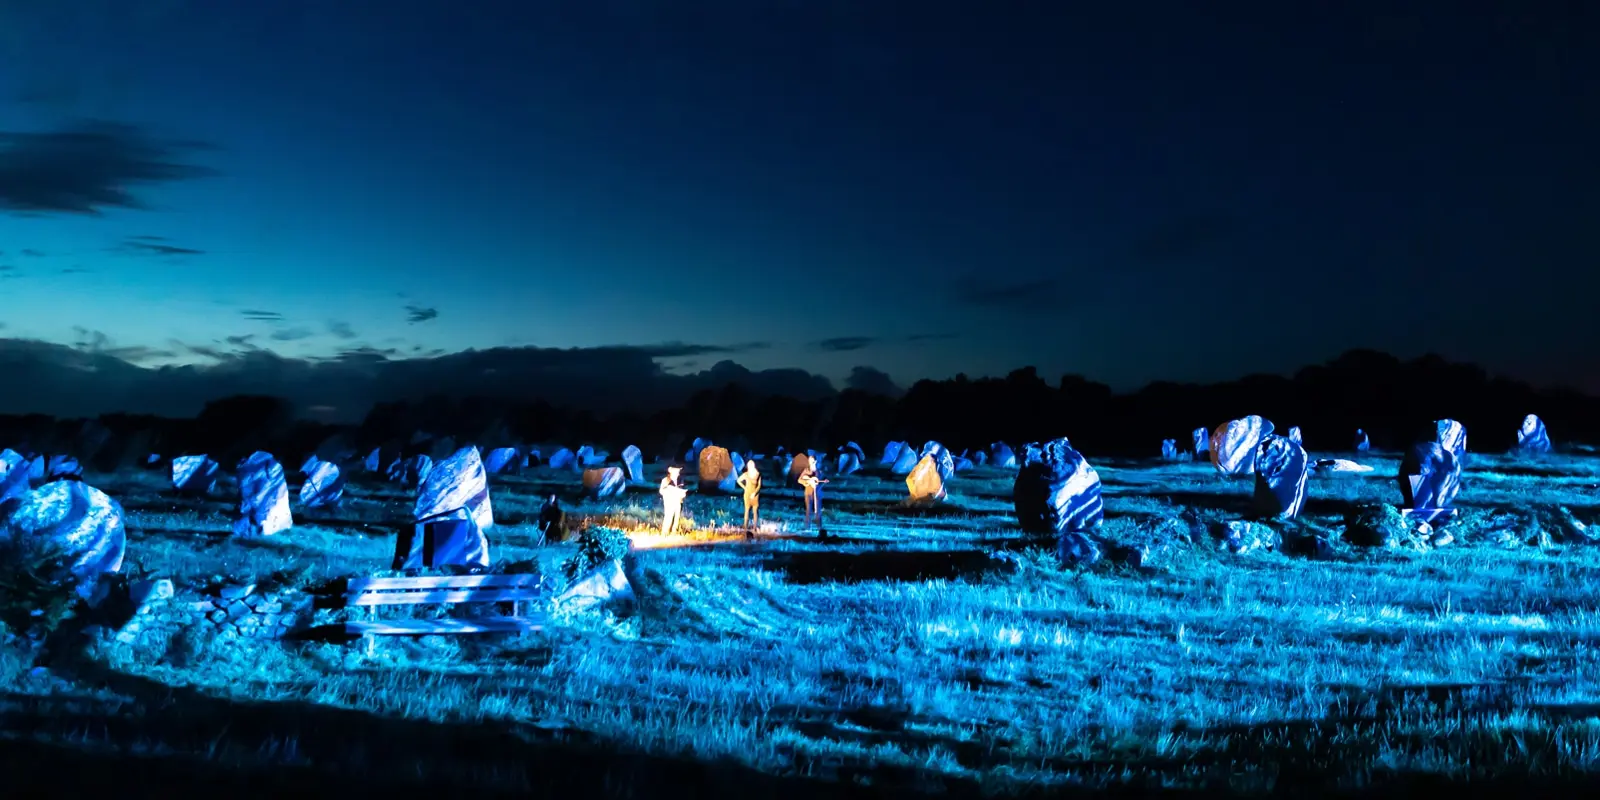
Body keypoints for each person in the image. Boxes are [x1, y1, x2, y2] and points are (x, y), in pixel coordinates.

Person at [797, 458, 828, 527]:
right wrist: (807, 482)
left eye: (813, 461)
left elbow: (824, 480)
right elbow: (799, 480)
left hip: (817, 493)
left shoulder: (819, 471)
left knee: (818, 510)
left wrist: (821, 484)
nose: (812, 462)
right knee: (809, 510)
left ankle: (819, 527)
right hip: (808, 493)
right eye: (810, 461)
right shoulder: (806, 471)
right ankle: (807, 526)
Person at [659, 464, 688, 535]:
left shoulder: (681, 480)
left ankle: (674, 532)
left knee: (677, 518)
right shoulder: (665, 480)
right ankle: (665, 532)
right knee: (668, 517)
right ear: (671, 471)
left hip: (678, 502)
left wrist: (682, 494)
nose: (678, 472)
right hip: (669, 502)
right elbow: (661, 491)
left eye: (678, 471)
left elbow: (683, 491)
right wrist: (669, 490)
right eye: (677, 470)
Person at [735, 458, 762, 531]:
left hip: (755, 495)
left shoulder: (758, 474)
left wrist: (755, 493)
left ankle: (755, 527)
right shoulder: (746, 474)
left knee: (755, 511)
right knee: (746, 510)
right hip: (747, 494)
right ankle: (745, 526)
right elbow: (738, 480)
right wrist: (745, 488)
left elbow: (759, 486)